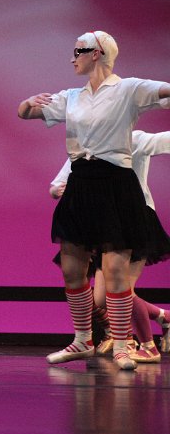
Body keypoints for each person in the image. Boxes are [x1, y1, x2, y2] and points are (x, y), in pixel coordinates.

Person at [18, 30, 170, 370]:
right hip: (81, 182)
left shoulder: (129, 88)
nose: (73, 58)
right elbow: (24, 113)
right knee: (72, 269)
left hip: (115, 183)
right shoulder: (72, 96)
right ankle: (83, 339)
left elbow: (165, 91)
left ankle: (122, 346)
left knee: (115, 271)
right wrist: (28, 102)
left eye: (78, 51)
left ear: (97, 53)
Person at [49, 126, 170, 363]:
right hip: (102, 225)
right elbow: (60, 180)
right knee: (102, 298)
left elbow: (163, 140)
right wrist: (56, 190)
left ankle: (147, 345)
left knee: (120, 288)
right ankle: (161, 317)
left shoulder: (133, 139)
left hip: (133, 219)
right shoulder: (84, 145)